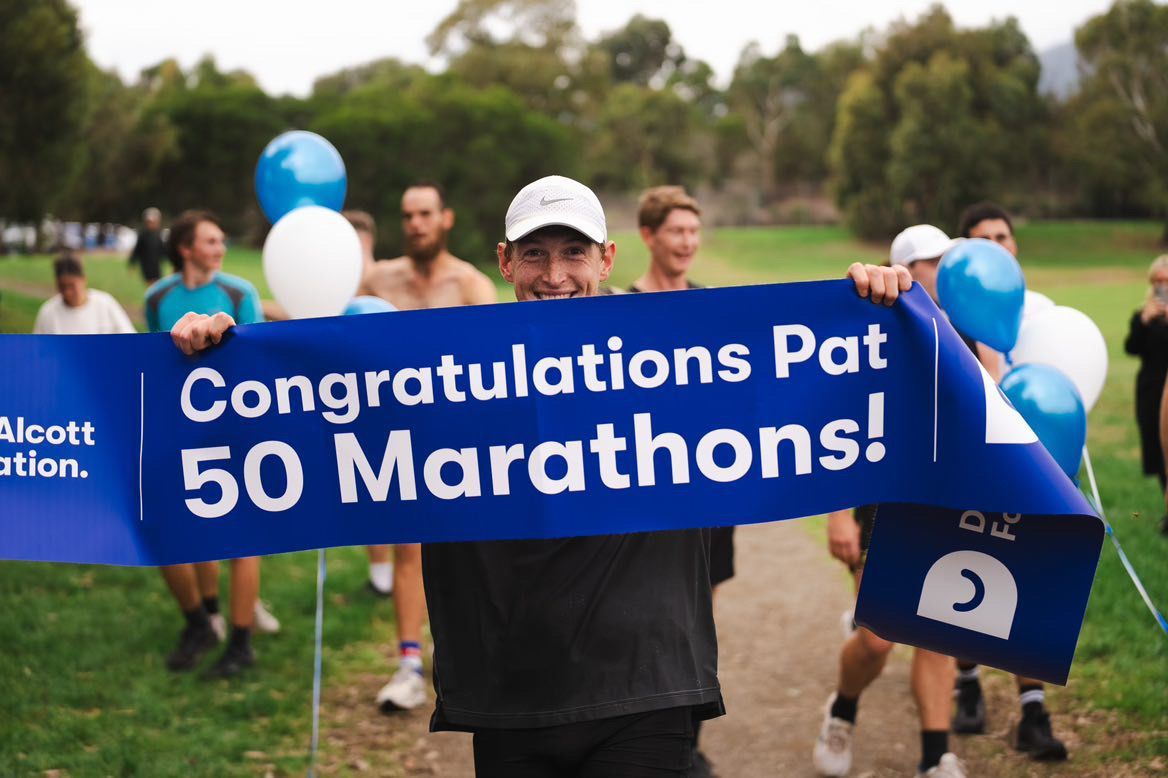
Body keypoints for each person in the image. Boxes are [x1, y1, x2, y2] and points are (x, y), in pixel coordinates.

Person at [169, 174, 910, 776]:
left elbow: (812, 388)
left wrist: (865, 309)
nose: (554, 276)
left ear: (608, 259)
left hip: (644, 686)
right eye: (534, 255)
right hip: (509, 696)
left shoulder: (680, 353)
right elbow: (316, 417)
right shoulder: (450, 369)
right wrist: (225, 361)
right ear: (503, 260)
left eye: (573, 253)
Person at [814, 225, 965, 778]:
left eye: (948, 261)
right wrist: (837, 514)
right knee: (878, 642)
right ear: (902, 268)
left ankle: (935, 755)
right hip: (885, 504)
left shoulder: (969, 329)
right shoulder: (877, 326)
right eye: (930, 263)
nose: (944, 272)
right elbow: (838, 429)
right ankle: (843, 709)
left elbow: (996, 419)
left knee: (939, 633)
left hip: (952, 501)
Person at [357, 186, 497, 712]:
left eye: (425, 214)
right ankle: (409, 664)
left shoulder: (471, 284)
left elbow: (495, 366)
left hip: (458, 440)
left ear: (446, 218)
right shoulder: (379, 279)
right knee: (408, 551)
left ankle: (459, 655)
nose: (415, 223)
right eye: (407, 215)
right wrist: (241, 319)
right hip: (394, 436)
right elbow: (323, 325)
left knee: (467, 555)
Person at [953, 203, 1069, 760]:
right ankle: (968, 678)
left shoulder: (1042, 318)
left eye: (1004, 235)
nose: (997, 245)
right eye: (984, 238)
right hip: (968, 469)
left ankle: (1032, 711)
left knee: (1029, 583)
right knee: (965, 576)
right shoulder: (949, 320)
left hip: (1032, 469)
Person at [146, 209, 278, 678]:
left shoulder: (239, 294)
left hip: (236, 427)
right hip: (182, 429)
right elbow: (154, 362)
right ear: (185, 248)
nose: (220, 248)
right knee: (185, 529)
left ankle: (240, 643)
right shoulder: (157, 296)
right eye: (211, 240)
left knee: (242, 537)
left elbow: (257, 362)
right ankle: (204, 620)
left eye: (223, 240)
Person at [629, 185, 725, 776]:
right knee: (651, 616)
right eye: (676, 232)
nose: (687, 242)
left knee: (697, 619)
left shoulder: (709, 307)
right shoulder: (617, 304)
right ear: (648, 237)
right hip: (639, 494)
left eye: (693, 232)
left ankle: (683, 736)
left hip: (705, 494)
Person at [342, 209, 399, 598]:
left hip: (391, 393)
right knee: (368, 488)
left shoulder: (381, 279)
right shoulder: (333, 279)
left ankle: (396, 574)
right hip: (354, 396)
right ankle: (381, 574)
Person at [1124, 256, 1168, 497]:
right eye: (1158, 281)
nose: (1163, 287)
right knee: (1158, 449)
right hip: (1151, 389)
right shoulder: (1143, 314)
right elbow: (1131, 348)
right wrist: (1143, 321)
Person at [33, 254, 135, 335]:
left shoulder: (105, 304)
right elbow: (37, 349)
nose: (68, 292)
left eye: (72, 286)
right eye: (62, 286)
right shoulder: (48, 312)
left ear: (84, 280)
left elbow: (129, 337)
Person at [128, 207, 166, 285]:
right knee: (151, 285)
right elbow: (137, 250)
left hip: (156, 266)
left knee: (158, 283)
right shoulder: (143, 235)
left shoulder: (158, 235)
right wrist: (132, 263)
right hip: (146, 266)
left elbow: (163, 250)